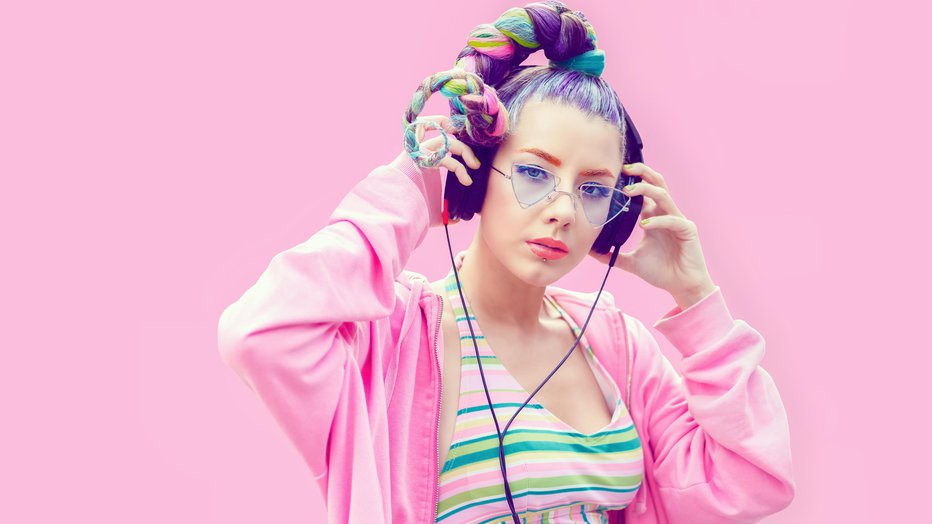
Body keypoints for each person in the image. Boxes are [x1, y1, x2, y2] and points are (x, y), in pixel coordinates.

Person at [217, 2, 795, 522]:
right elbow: (258, 332)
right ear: (472, 177)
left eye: (593, 188)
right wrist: (413, 185)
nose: (563, 211)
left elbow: (752, 482)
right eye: (535, 173)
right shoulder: (391, 343)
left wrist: (696, 303)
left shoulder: (618, 348)